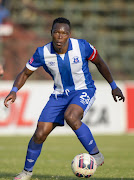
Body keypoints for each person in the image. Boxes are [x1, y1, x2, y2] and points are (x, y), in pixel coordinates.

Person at [4, 17, 125, 180]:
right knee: (40, 133)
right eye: (56, 32)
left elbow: (100, 63)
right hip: (59, 95)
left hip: (83, 90)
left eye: (64, 33)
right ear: (51, 33)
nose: (60, 36)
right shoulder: (43, 53)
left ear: (69, 34)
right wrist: (14, 90)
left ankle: (96, 155)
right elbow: (25, 73)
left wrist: (113, 86)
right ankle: (26, 172)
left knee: (71, 116)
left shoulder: (82, 46)